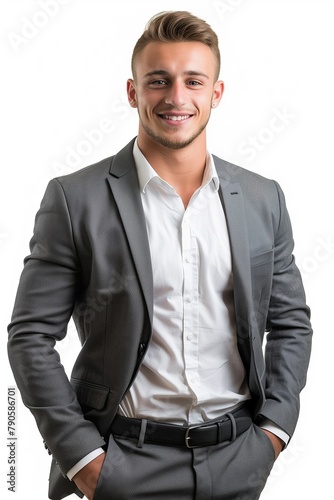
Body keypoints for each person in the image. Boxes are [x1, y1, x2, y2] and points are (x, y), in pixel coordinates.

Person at [7, 10, 312, 500]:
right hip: (125, 462)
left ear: (216, 93)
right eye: (158, 81)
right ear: (133, 92)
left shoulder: (263, 199)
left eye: (194, 81)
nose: (176, 97)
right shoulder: (74, 199)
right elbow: (31, 336)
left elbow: (291, 321)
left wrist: (274, 431)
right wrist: (84, 460)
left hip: (238, 458)